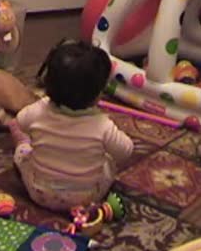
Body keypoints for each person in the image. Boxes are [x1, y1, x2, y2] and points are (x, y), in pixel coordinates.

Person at [8, 39, 134, 211]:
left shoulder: (39, 109)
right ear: (98, 94)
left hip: (40, 192)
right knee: (109, 162)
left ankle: (21, 144)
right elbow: (126, 151)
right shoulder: (103, 126)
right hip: (85, 198)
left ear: (48, 84)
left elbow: (20, 121)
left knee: (23, 152)